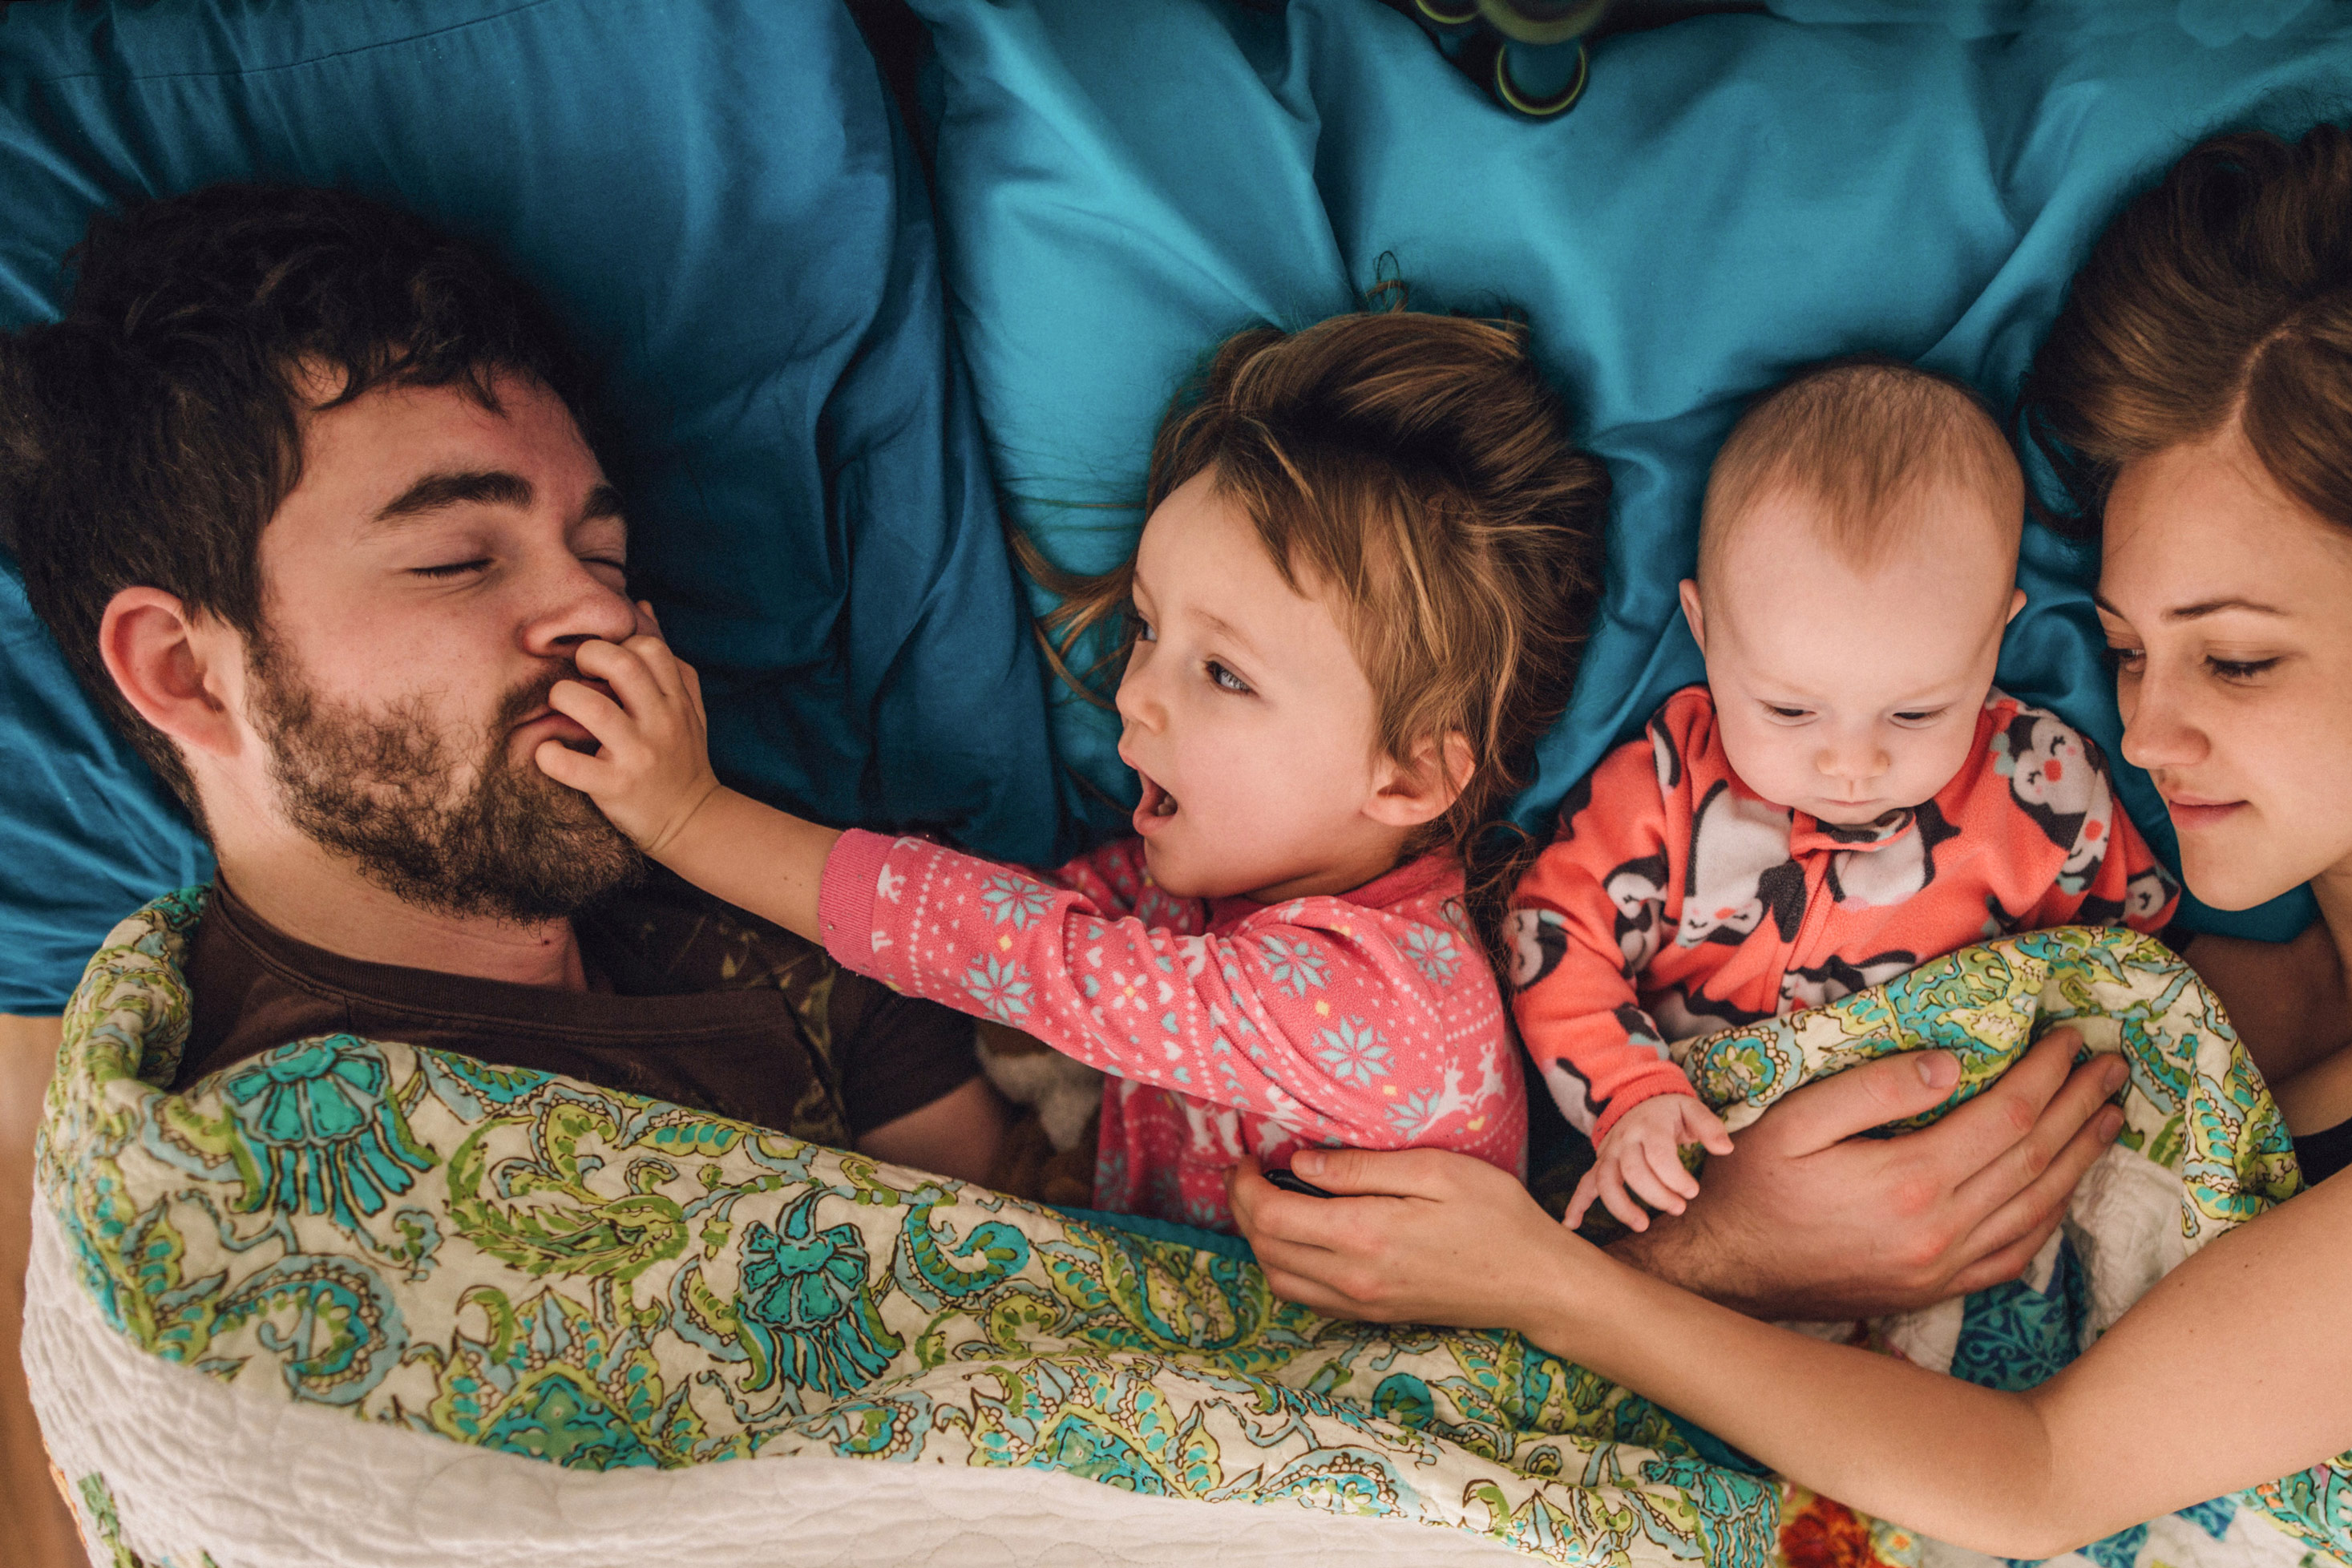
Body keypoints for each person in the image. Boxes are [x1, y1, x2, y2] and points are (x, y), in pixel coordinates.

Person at [1225, 96, 2352, 1562]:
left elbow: (2044, 1475)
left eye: (2236, 658)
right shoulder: (2171, 960)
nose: (2142, 732)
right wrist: (1721, 1245)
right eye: (2129, 652)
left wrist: (1551, 1284)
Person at [0, 182, 999, 1174]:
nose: (607, 613)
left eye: (604, 555)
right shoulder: (234, 1180)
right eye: (457, 560)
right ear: (186, 674)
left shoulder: (783, 910)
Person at [538, 310, 1611, 1230]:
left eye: (1223, 674)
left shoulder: (1382, 1001)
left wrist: (688, 818)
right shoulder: (1235, 878)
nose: (1133, 691)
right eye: (1145, 626)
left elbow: (1027, 953)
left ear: (1410, 777)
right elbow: (1080, 911)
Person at [1512, 356, 2176, 1232]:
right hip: (1700, 1174)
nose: (1852, 765)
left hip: (1971, 1179)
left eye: (1916, 711)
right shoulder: (1665, 792)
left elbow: (2139, 962)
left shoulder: (2041, 785)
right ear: (1705, 633)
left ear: (1995, 642)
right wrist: (1631, 1092)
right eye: (1789, 708)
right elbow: (1553, 936)